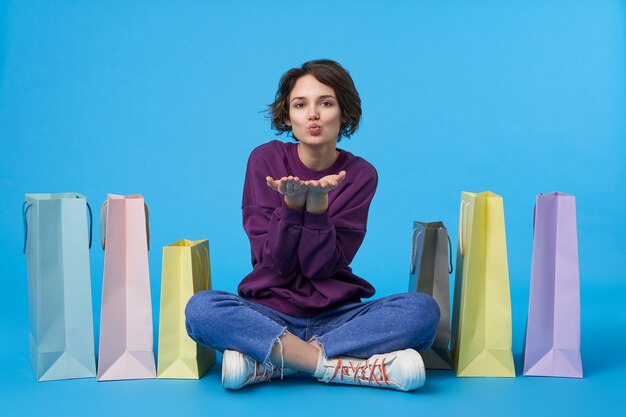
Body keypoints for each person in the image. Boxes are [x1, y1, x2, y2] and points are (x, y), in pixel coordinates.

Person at [185, 59, 440, 392]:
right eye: (300, 104)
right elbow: (273, 263)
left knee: (422, 311)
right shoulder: (266, 160)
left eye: (326, 103)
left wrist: (318, 209)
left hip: (338, 318)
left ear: (345, 113)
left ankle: (273, 363)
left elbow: (322, 268)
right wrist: (292, 208)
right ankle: (343, 368)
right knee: (201, 309)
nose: (313, 114)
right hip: (268, 314)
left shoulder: (360, 174)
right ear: (288, 117)